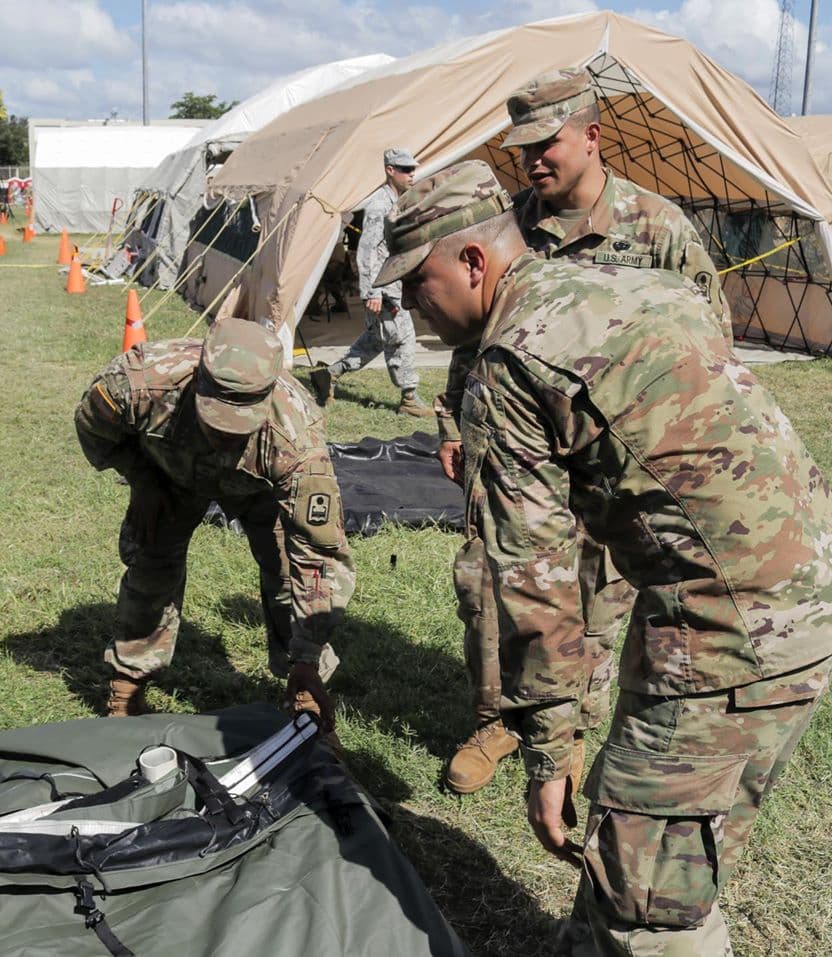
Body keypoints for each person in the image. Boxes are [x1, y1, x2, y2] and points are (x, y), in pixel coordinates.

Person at [376, 159, 832, 955]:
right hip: (798, 583)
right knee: (645, 833)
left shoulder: (508, 363)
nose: (408, 302)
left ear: (474, 261)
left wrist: (549, 752)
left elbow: (531, 577)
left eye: (418, 281)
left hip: (731, 628)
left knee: (646, 892)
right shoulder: (631, 283)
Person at [439, 68, 732, 795]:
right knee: (492, 582)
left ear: (593, 136)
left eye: (549, 143)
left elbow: (707, 343)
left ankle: (566, 733)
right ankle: (496, 719)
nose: (533, 159)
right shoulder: (508, 226)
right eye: (523, 148)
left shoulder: (657, 228)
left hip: (610, 458)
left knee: (601, 594)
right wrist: (454, 419)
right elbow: (475, 333)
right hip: (516, 445)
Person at [74, 317, 356, 726]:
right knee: (152, 562)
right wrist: (143, 478)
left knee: (283, 570)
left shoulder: (296, 438)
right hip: (169, 473)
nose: (225, 435)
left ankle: (302, 689)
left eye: (239, 425)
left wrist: (308, 655)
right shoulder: (139, 381)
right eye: (216, 418)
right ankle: (128, 683)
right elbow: (93, 427)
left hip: (257, 488)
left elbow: (317, 556)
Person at [309, 147, 435, 417]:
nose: (411, 174)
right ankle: (409, 398)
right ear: (390, 170)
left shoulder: (395, 200)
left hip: (391, 284)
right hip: (384, 287)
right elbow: (367, 252)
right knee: (402, 338)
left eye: (413, 169)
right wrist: (373, 292)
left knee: (377, 340)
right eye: (405, 170)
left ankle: (329, 375)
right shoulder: (379, 206)